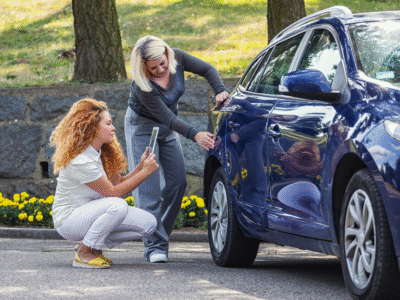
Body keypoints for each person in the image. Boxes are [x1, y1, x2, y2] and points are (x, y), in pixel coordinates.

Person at [125, 35, 230, 263]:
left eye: (163, 63)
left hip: (168, 127)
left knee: (178, 182)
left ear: (166, 54)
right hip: (143, 127)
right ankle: (155, 247)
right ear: (143, 67)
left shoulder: (177, 56)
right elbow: (167, 117)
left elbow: (208, 69)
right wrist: (195, 135)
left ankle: (156, 230)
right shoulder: (142, 86)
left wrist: (220, 89)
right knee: (148, 189)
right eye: (153, 68)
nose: (161, 70)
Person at [50, 98, 159, 269]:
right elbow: (114, 193)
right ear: (93, 127)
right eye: (108, 124)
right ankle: (85, 251)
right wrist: (145, 172)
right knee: (117, 205)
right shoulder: (80, 160)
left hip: (93, 213)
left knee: (149, 223)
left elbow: (119, 183)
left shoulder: (103, 152)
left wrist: (140, 166)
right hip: (69, 220)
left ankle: (95, 247)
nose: (113, 128)